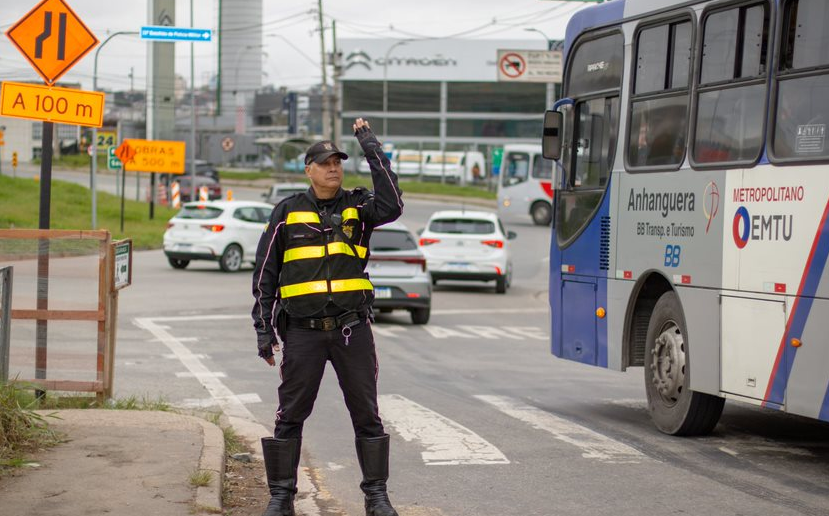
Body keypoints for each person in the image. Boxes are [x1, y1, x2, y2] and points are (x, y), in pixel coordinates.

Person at [252, 118, 403, 516]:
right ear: (309, 169)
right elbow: (265, 275)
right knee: (290, 415)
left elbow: (393, 204)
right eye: (324, 162)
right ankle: (281, 497)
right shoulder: (287, 212)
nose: (333, 168)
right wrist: (263, 330)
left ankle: (376, 496)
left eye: (337, 161)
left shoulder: (359, 207)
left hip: (352, 329)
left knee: (367, 414)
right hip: (302, 333)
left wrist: (370, 145)